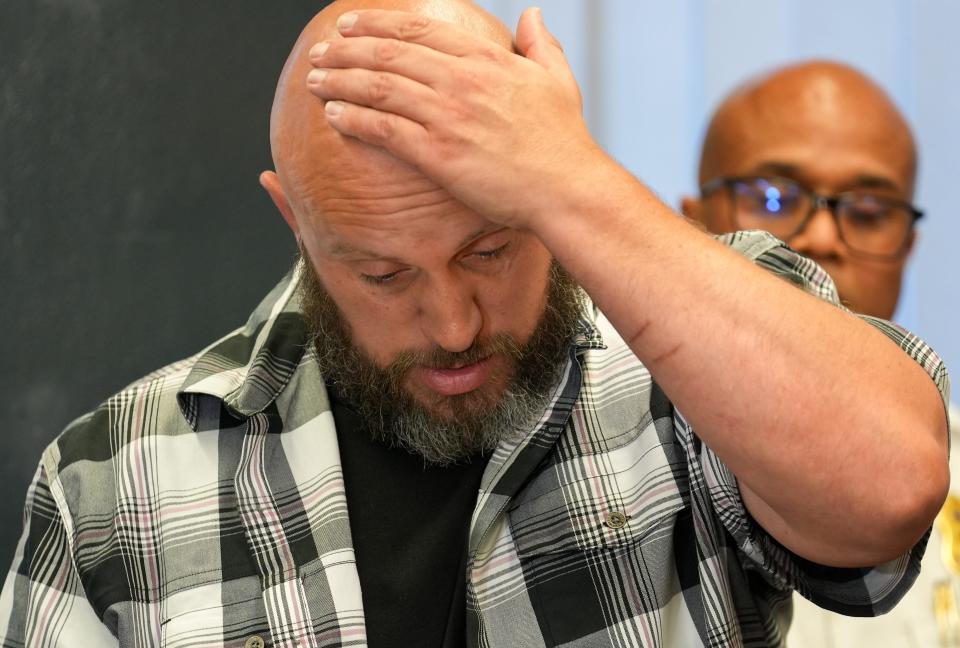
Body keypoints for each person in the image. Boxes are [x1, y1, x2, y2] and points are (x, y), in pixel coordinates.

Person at [0, 2, 950, 646]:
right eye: (381, 274)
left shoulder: (685, 369)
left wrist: (569, 177)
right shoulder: (113, 480)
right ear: (295, 222)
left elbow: (888, 491)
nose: (454, 325)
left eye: (491, 251)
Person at [681, 61, 960, 646]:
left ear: (907, 247)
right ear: (693, 223)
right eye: (774, 197)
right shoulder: (608, 466)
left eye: (867, 211)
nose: (823, 240)